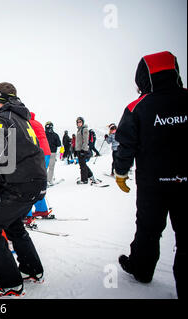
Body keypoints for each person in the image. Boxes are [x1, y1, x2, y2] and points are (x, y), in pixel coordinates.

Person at [114, 51, 187, 298]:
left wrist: (121, 172)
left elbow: (126, 144)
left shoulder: (138, 107)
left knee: (148, 228)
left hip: (153, 183)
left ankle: (142, 269)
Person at [0, 82, 47, 298]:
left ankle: (9, 284)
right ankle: (32, 269)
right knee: (13, 224)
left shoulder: (1, 118)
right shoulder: (21, 118)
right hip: (34, 180)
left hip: (21, 184)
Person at [24, 112, 52, 223]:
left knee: (28, 183)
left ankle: (27, 215)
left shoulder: (27, 123)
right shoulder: (37, 123)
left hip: (37, 154)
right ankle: (41, 209)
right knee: (38, 182)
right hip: (46, 153)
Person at [75, 117, 94, 184]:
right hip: (79, 149)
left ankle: (84, 180)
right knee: (82, 164)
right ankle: (90, 175)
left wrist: (83, 150)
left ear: (82, 122)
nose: (79, 123)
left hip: (82, 150)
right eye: (78, 122)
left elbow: (85, 141)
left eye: (80, 122)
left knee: (82, 165)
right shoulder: (79, 130)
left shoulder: (84, 129)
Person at [44, 121, 61, 185]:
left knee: (45, 167)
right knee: (51, 167)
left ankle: (44, 180)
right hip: (52, 152)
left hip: (45, 152)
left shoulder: (43, 134)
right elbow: (59, 144)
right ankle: (48, 180)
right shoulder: (55, 135)